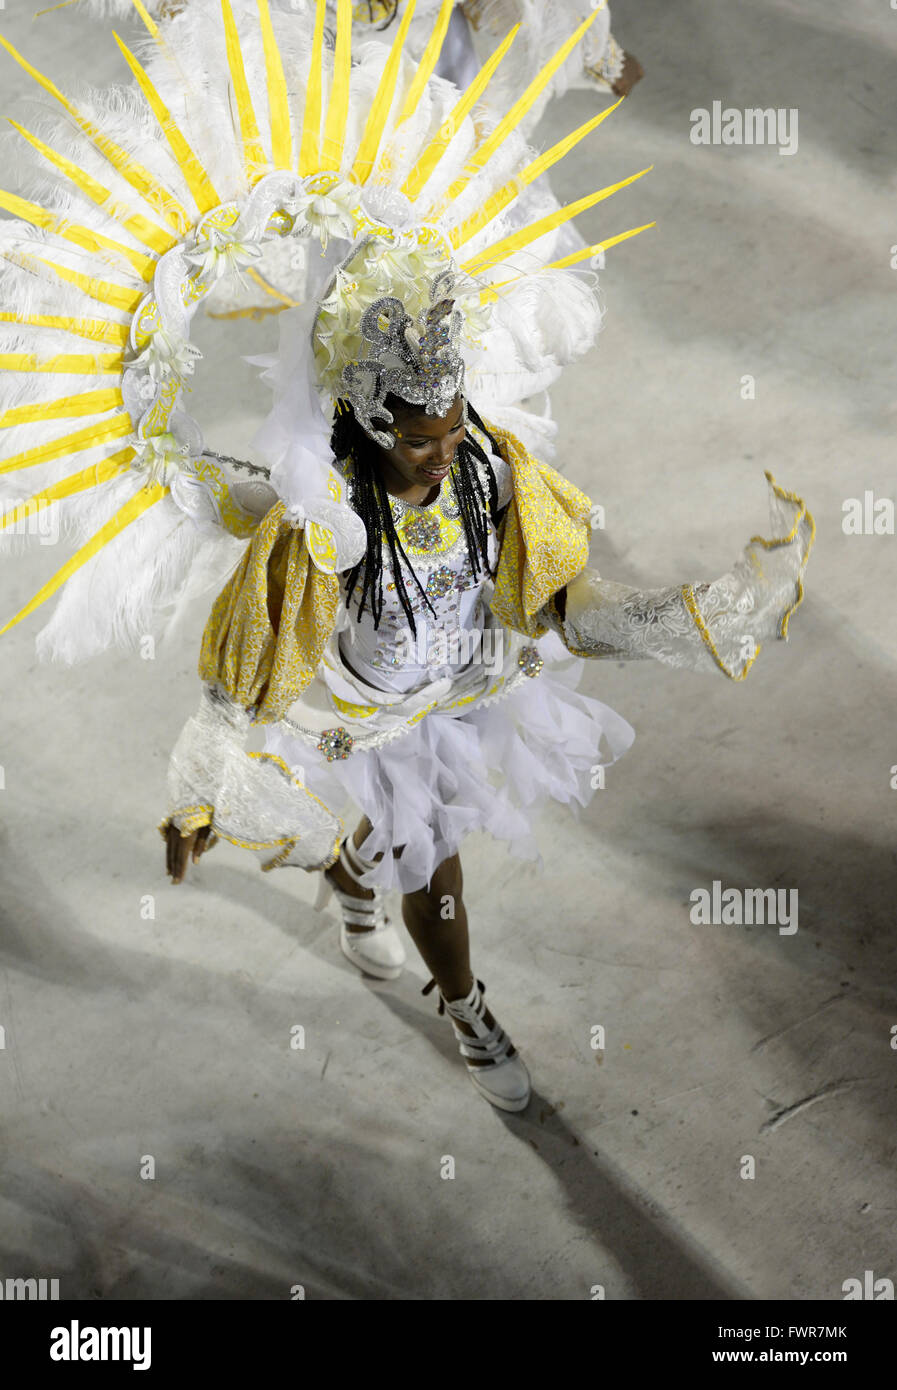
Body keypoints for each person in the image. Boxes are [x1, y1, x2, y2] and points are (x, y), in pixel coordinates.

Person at [0, 0, 813, 1115]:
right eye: (422, 436)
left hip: (462, 686)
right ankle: (469, 1003)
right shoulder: (320, 523)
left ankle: (355, 884)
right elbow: (236, 670)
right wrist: (197, 798)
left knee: (390, 844)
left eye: (452, 422)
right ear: (376, 425)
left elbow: (564, 597)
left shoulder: (486, 467)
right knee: (429, 856)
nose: (444, 449)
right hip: (356, 715)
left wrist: (690, 619)